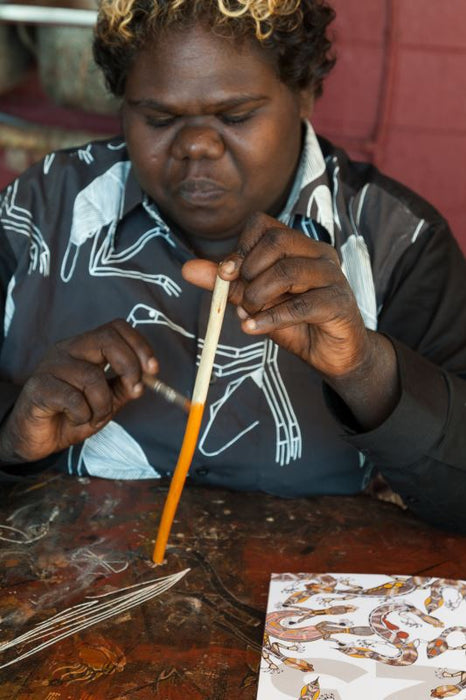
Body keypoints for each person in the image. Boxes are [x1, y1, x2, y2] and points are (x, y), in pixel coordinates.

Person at [0, 0, 465, 531]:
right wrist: (13, 433)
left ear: (304, 94)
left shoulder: (397, 243)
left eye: (236, 115)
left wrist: (364, 369)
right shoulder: (41, 212)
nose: (197, 145)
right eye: (159, 118)